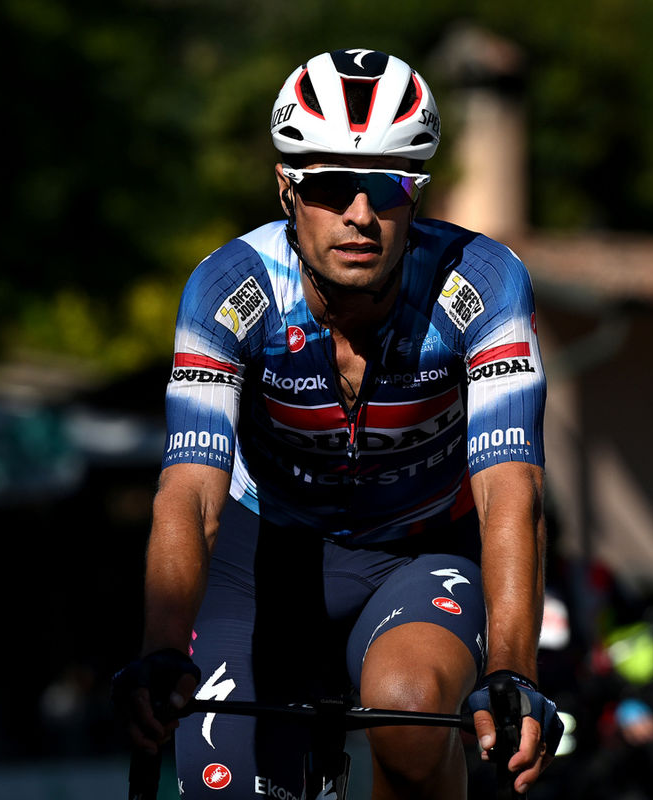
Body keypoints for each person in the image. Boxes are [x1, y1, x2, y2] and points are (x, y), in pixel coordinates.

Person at [113, 48, 561, 798]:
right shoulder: (230, 289)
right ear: (286, 188)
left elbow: (511, 489)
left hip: (417, 551)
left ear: (415, 194)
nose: (360, 214)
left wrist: (512, 670)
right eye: (330, 186)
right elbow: (190, 492)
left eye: (386, 187)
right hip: (263, 562)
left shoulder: (482, 284)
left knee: (411, 714)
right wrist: (161, 650)